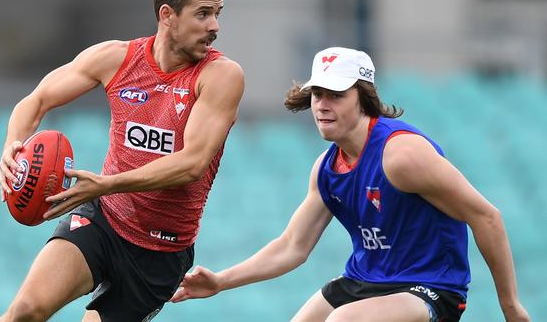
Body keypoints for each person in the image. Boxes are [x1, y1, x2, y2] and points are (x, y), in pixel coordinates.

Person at [170, 47, 531, 322]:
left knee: (342, 321)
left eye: (337, 95)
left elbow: (487, 217)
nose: (323, 106)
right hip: (364, 280)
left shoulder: (401, 156)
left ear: (364, 97)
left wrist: (510, 307)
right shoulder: (326, 169)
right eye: (318, 95)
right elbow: (292, 247)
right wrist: (220, 282)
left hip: (430, 287)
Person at [0, 0, 244, 322]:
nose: (215, 27)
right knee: (25, 311)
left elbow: (193, 163)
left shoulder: (221, 75)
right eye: (203, 14)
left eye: (217, 14)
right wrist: (12, 146)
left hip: (161, 251)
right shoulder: (116, 58)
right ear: (167, 15)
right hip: (104, 221)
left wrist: (106, 184)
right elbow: (36, 100)